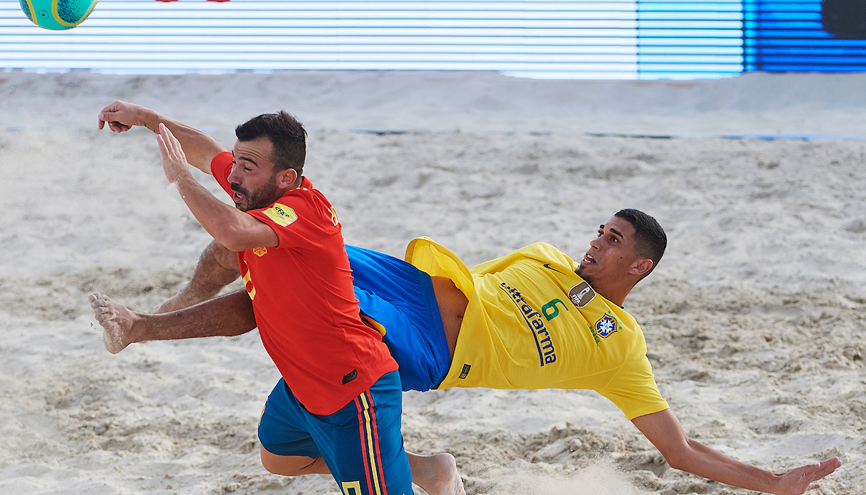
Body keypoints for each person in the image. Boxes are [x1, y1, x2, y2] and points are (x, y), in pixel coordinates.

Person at [91, 201, 842, 494]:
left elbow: (679, 449)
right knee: (277, 454)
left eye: (612, 241)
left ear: (638, 267)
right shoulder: (549, 257)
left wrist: (770, 480)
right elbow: (472, 284)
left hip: (419, 345)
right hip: (413, 287)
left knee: (280, 286)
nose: (595, 240)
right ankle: (157, 314)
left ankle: (144, 326)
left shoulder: (620, 348)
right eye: (600, 229)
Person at [93, 101, 465, 495]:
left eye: (247, 167)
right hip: (304, 384)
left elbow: (229, 232)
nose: (233, 175)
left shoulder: (306, 211)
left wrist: (181, 180)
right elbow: (205, 151)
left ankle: (396, 468)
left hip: (354, 393)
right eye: (236, 162)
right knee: (281, 457)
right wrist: (145, 118)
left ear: (286, 177)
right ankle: (430, 472)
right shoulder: (256, 193)